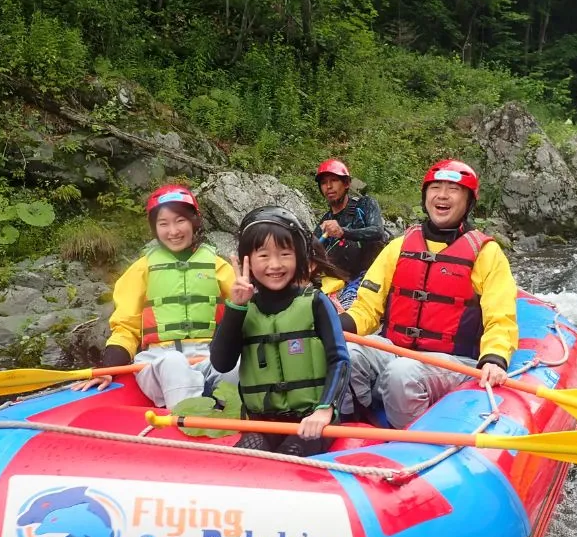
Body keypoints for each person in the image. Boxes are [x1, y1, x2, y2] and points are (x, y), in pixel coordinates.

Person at [340, 160, 519, 429]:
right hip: (396, 348)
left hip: (454, 361)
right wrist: (336, 327)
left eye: (453, 189)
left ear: (469, 201)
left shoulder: (486, 254)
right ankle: (356, 428)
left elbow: (500, 317)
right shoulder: (398, 247)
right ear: (425, 197)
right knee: (347, 353)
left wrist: (494, 357)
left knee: (402, 373)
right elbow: (366, 307)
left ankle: (410, 441)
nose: (443, 195)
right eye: (435, 187)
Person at [72, 184, 238, 408]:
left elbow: (245, 313)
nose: (173, 231)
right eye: (164, 224)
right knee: (174, 362)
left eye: (180, 221)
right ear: (155, 229)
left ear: (194, 222)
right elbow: (125, 328)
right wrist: (108, 369)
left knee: (238, 367)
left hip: (206, 356)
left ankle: (240, 422)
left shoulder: (218, 266)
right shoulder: (142, 269)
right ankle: (190, 420)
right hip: (158, 360)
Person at [210, 206, 351, 456]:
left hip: (311, 423)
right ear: (247, 260)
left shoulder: (316, 302)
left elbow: (339, 360)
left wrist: (325, 409)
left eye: (285, 254)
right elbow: (221, 363)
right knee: (245, 460)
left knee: (288, 456)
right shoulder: (242, 308)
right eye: (263, 255)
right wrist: (235, 307)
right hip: (262, 423)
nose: (275, 265)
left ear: (298, 256)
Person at [312, 159, 388, 309]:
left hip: (369, 277)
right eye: (324, 183)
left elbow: (378, 231)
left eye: (334, 180)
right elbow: (313, 252)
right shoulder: (325, 222)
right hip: (339, 281)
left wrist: (343, 232)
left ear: (346, 184)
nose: (329, 186)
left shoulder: (365, 204)